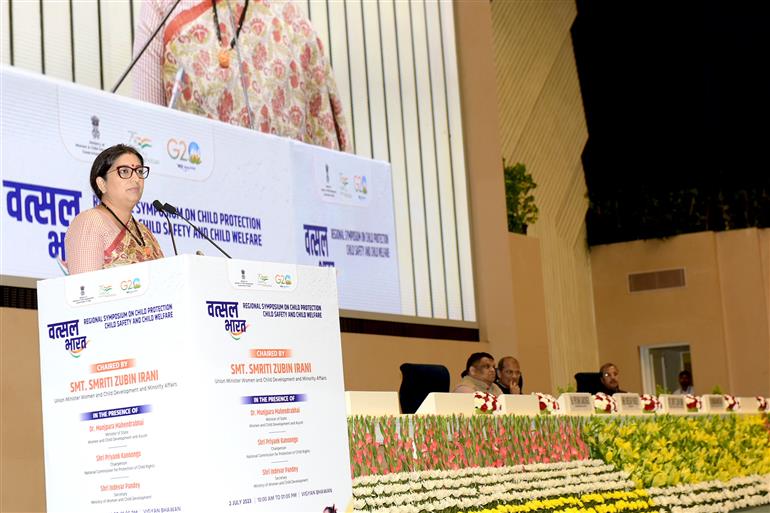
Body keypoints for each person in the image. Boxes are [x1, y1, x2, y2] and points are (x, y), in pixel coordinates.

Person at [132, 0, 349, 152]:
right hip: (201, 206)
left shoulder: (289, 16)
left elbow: (324, 140)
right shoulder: (163, 7)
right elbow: (145, 132)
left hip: (286, 203)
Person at [65, 144, 164, 274]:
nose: (136, 179)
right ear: (102, 184)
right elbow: (84, 288)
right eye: (124, 171)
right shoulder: (91, 222)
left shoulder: (145, 232)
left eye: (139, 171)